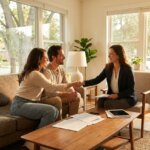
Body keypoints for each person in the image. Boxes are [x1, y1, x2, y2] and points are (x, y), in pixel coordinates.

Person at [10, 48, 81, 128]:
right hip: (20, 104)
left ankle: (52, 132)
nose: (47, 59)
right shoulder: (35, 74)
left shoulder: (39, 72)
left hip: (32, 102)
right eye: (45, 58)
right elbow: (51, 87)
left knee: (54, 110)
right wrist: (72, 84)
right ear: (39, 59)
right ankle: (36, 138)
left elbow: (51, 84)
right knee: (51, 111)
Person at [81, 45, 137, 109]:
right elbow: (97, 79)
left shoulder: (127, 69)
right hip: (112, 96)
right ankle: (97, 118)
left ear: (118, 55)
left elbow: (130, 90)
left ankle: (111, 118)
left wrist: (117, 95)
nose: (108, 56)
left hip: (126, 98)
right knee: (100, 102)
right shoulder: (108, 68)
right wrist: (83, 83)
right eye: (109, 54)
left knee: (108, 104)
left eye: (111, 54)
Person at [41, 45, 81, 118]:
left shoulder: (61, 69)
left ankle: (72, 120)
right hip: (48, 98)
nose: (64, 57)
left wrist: (73, 92)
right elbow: (49, 92)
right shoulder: (47, 71)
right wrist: (67, 94)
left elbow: (66, 83)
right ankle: (59, 123)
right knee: (57, 100)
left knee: (77, 96)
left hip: (58, 96)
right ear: (53, 57)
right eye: (61, 55)